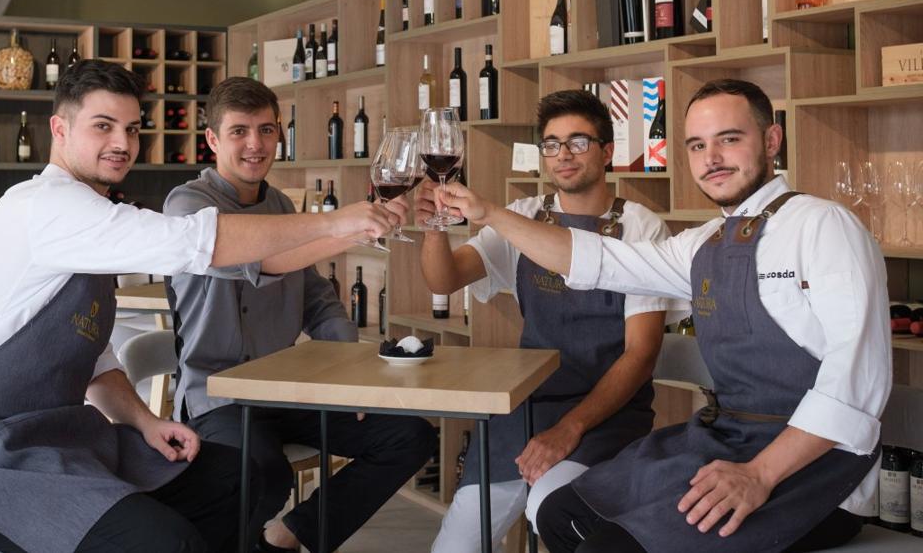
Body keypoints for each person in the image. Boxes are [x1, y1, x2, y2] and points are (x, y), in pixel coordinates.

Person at [0, 61, 397, 553]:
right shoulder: (42, 204)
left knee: (242, 479)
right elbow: (194, 242)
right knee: (167, 540)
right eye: (103, 126)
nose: (123, 144)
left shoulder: (87, 220)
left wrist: (144, 421)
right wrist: (337, 224)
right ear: (60, 130)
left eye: (131, 129)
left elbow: (96, 358)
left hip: (63, 443)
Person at [435, 79, 890, 553]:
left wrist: (759, 474)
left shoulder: (824, 225)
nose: (711, 158)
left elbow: (857, 384)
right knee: (561, 513)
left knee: (606, 546)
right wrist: (487, 212)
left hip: (816, 472)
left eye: (729, 139)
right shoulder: (705, 242)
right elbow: (602, 261)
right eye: (698, 145)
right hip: (729, 442)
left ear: (772, 140)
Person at [163, 77, 437, 553]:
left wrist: (348, 371)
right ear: (211, 140)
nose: (255, 144)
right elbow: (260, 264)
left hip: (286, 390)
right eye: (239, 131)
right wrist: (347, 228)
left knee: (409, 436)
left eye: (267, 130)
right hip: (219, 393)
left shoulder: (281, 205)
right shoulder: (188, 205)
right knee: (264, 477)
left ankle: (287, 537)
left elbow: (315, 297)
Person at [420, 89, 685, 553]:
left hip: (605, 415)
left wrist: (570, 429)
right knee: (456, 545)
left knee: (551, 507)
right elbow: (444, 278)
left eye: (578, 142)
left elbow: (641, 356)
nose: (563, 155)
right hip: (522, 411)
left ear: (607, 152)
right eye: (551, 144)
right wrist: (433, 229)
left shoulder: (639, 226)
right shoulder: (524, 216)